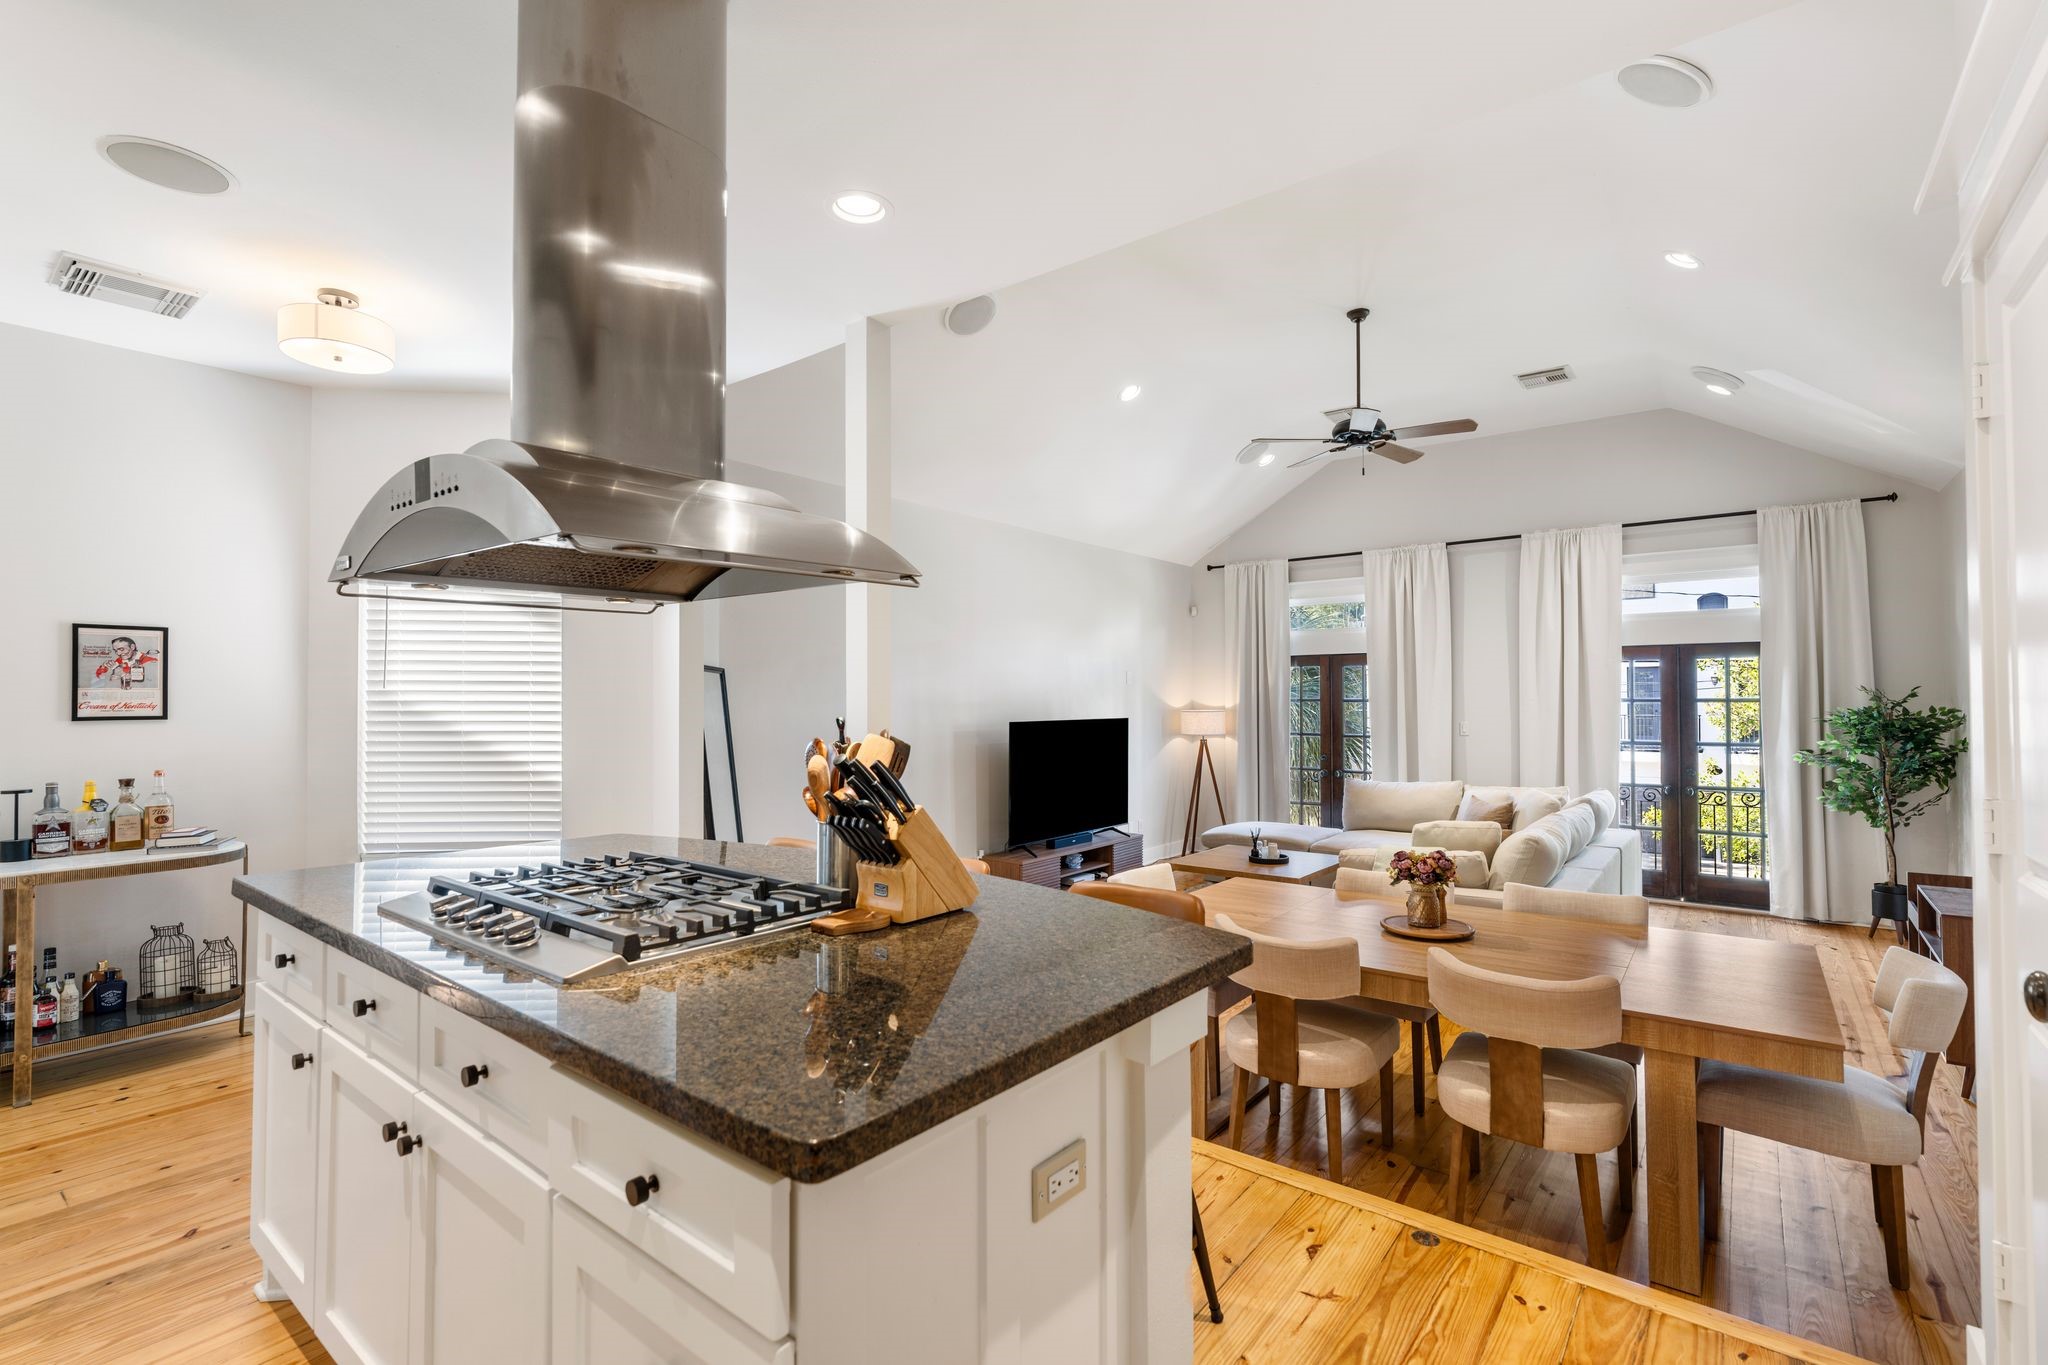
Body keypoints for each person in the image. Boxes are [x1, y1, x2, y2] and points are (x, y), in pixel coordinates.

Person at [93, 636, 159, 690]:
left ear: (132, 647)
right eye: (115, 650)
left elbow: (152, 682)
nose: (118, 653)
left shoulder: (148, 660)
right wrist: (104, 666)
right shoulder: (119, 660)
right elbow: (99, 677)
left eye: (121, 649)